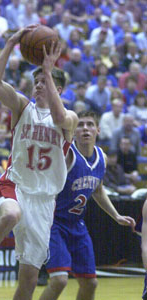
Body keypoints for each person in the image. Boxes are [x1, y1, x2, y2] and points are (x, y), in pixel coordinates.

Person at [0, 24, 78, 300]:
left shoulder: (70, 118)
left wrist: (48, 70)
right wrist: (9, 45)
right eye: (38, 82)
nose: (40, 85)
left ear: (59, 87)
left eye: (46, 81)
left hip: (44, 200)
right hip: (15, 184)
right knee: (10, 215)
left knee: (29, 279)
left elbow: (58, 118)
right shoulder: (22, 106)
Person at [39, 111, 136, 300]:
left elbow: (98, 190)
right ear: (73, 132)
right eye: (80, 125)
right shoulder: (66, 155)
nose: (85, 128)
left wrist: (116, 215)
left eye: (90, 124)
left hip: (77, 225)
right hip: (54, 224)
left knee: (90, 283)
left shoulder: (102, 157)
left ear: (98, 130)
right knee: (59, 280)